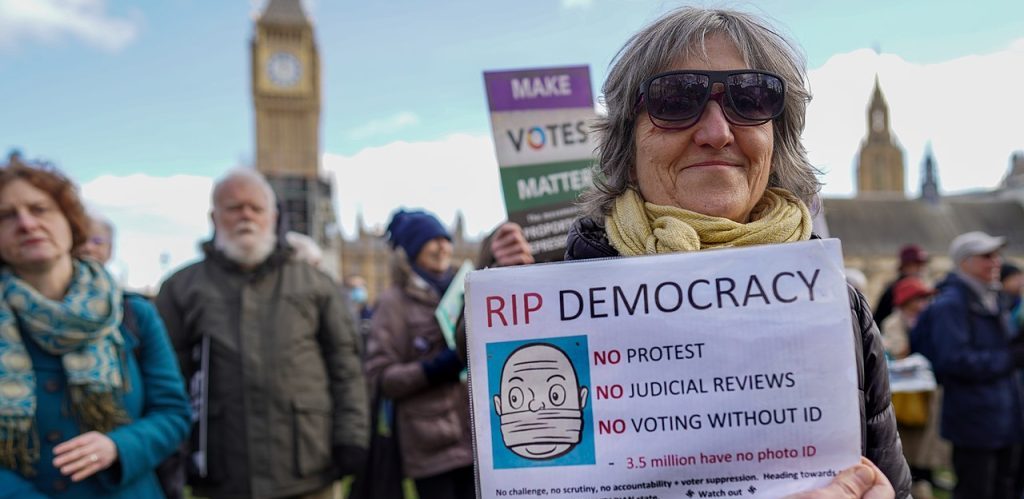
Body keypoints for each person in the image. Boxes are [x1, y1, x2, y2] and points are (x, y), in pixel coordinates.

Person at [563, 7, 910, 497]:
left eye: (750, 99)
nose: (717, 132)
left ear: (777, 140)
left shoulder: (838, 305)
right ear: (627, 140)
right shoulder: (555, 314)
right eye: (676, 99)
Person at [155, 168, 368, 499]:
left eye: (256, 208)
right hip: (222, 473)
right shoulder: (180, 288)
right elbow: (168, 381)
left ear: (274, 217)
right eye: (234, 208)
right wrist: (172, 450)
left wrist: (352, 436)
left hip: (309, 465)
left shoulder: (315, 283)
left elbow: (346, 367)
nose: (246, 216)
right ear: (214, 216)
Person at [0, 160, 190, 497]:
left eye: (40, 209)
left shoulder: (132, 313)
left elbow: (173, 413)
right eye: (7, 215)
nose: (27, 223)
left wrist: (119, 446)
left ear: (70, 223)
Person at [365, 210, 531, 499]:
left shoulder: (469, 284)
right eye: (432, 241)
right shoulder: (393, 302)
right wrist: (434, 369)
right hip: (431, 446)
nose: (443, 247)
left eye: (446, 239)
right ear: (413, 249)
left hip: (479, 438)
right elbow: (381, 377)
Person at [911, 231, 1024, 499]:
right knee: (976, 491)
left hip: (1004, 418)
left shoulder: (992, 298)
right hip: (975, 421)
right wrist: (1011, 358)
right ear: (965, 263)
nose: (996, 262)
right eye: (987, 256)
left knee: (1005, 489)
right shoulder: (951, 305)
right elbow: (953, 361)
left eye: (997, 255)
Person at [879, 278, 943, 499]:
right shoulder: (895, 322)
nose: (925, 303)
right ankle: (913, 482)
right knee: (908, 439)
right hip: (905, 393)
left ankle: (925, 477)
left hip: (925, 390)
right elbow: (899, 351)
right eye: (920, 298)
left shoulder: (927, 319)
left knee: (925, 439)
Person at [874, 245, 930, 326]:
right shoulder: (893, 290)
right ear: (904, 266)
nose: (921, 269)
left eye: (922, 264)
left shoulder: (923, 287)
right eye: (916, 264)